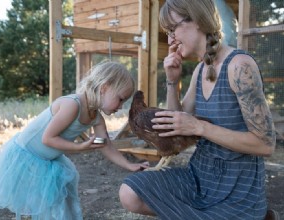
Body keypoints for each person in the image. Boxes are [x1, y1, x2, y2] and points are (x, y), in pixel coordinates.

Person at [119, 0, 277, 219]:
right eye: (167, 31)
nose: (170, 38)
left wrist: (200, 127)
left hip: (237, 188)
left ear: (198, 21)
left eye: (173, 29)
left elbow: (266, 144)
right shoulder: (200, 70)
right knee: (130, 193)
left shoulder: (239, 66)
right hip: (199, 176)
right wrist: (172, 81)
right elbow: (175, 126)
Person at [0, 61, 149, 220]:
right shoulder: (72, 105)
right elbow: (48, 138)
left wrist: (129, 165)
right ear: (104, 88)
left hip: (49, 159)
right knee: (41, 204)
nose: (121, 106)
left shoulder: (96, 118)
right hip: (27, 156)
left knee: (60, 202)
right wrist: (79, 147)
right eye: (120, 99)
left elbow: (105, 145)